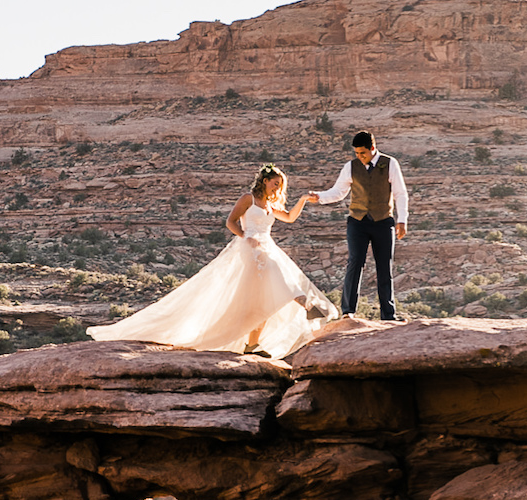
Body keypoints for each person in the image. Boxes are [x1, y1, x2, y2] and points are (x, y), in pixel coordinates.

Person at [88, 164, 342, 359]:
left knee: (262, 299)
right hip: (251, 249)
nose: (277, 188)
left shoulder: (270, 203)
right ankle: (306, 304)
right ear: (265, 181)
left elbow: (288, 218)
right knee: (277, 277)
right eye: (275, 184)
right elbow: (230, 222)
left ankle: (253, 344)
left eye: (280, 185)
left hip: (268, 247)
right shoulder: (249, 199)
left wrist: (302, 201)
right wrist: (246, 238)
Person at [302, 129, 411, 321]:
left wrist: (402, 219)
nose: (359, 157)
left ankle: (388, 314)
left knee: (384, 267)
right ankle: (348, 311)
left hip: (383, 222)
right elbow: (338, 192)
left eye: (363, 153)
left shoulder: (390, 164)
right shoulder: (350, 167)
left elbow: (400, 193)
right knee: (355, 263)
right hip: (358, 222)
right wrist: (319, 197)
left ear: (373, 149)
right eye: (357, 153)